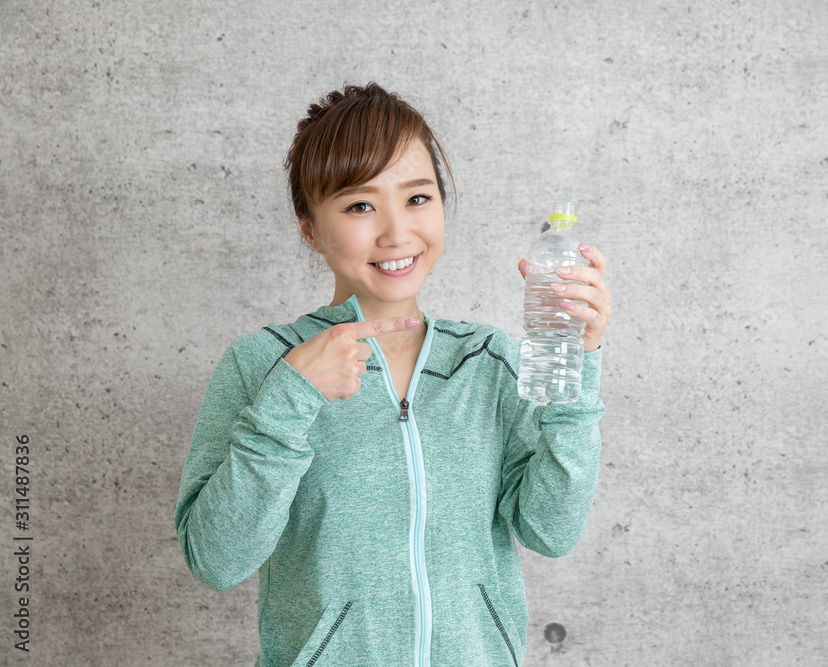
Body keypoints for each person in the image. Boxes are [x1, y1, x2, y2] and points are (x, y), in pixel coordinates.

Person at [174, 82, 613, 667]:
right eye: (360, 205)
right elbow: (218, 561)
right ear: (309, 226)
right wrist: (289, 401)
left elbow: (550, 532)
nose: (396, 233)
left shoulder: (490, 362)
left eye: (416, 198)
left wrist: (575, 370)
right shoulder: (261, 365)